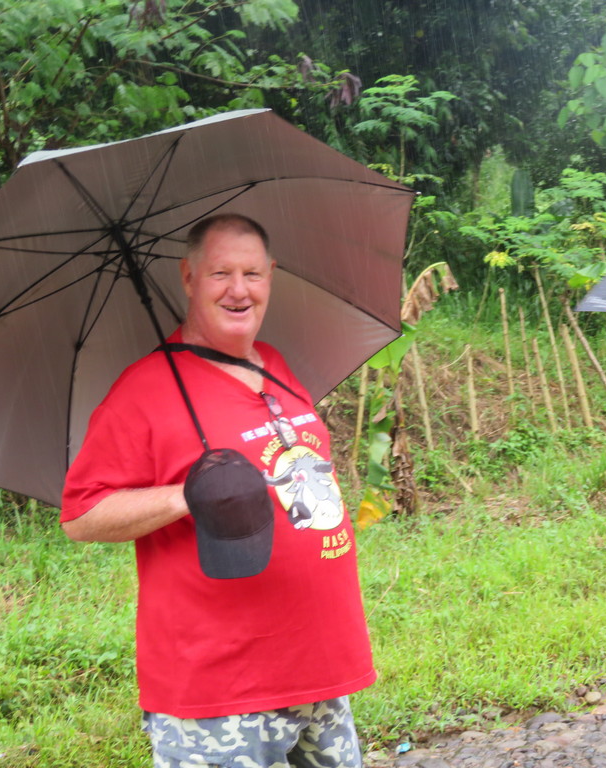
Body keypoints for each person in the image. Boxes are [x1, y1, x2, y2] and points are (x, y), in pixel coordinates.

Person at [61, 214, 374, 768]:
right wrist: (185, 496)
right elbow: (81, 515)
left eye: (252, 274)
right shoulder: (144, 390)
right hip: (221, 690)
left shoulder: (275, 365)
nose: (238, 290)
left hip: (319, 669)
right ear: (188, 277)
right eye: (220, 273)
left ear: (271, 275)